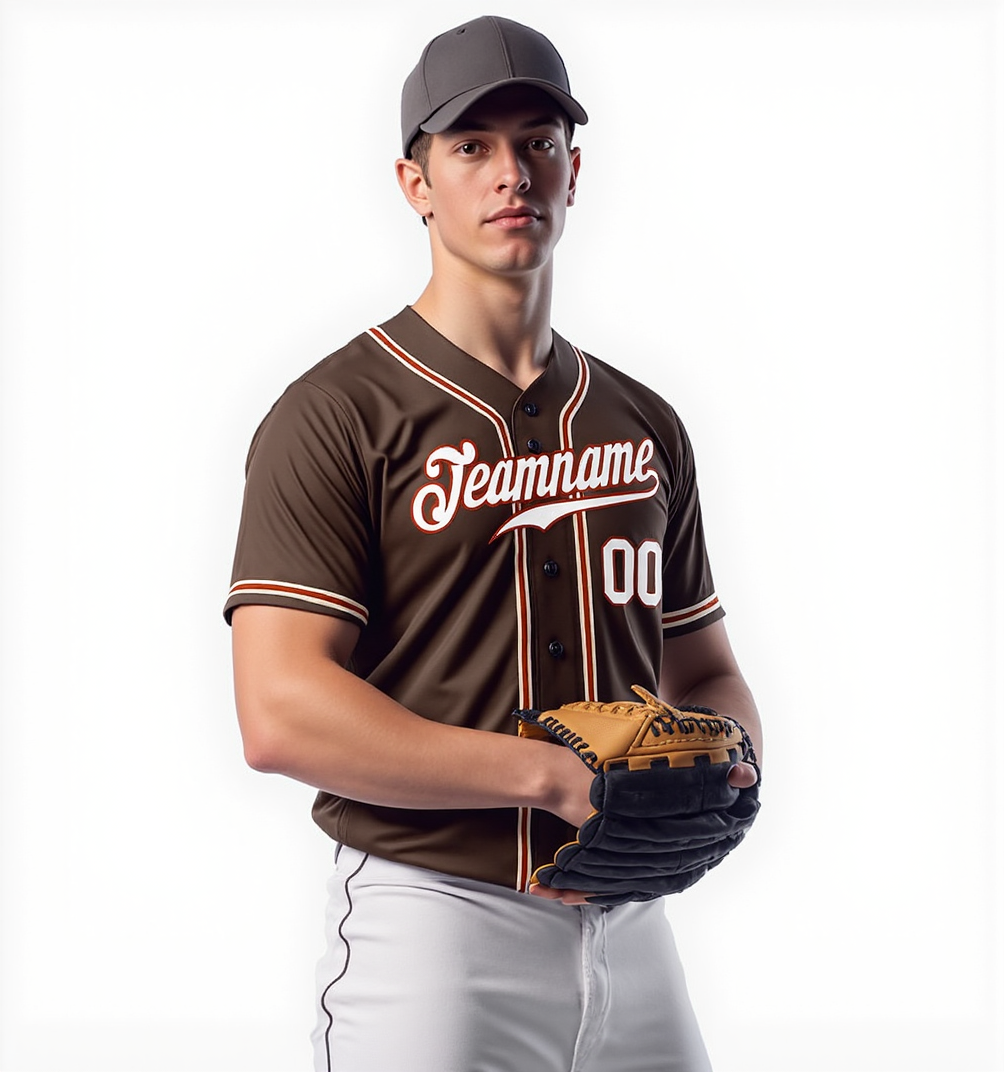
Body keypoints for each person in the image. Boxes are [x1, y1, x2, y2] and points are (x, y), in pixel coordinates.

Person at [224, 15, 762, 1072]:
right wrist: (548, 779)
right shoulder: (336, 413)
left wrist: (734, 768)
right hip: (434, 927)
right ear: (413, 181)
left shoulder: (641, 421)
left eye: (537, 142)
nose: (510, 172)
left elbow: (705, 667)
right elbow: (278, 710)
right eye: (469, 145)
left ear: (573, 170)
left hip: (633, 926)